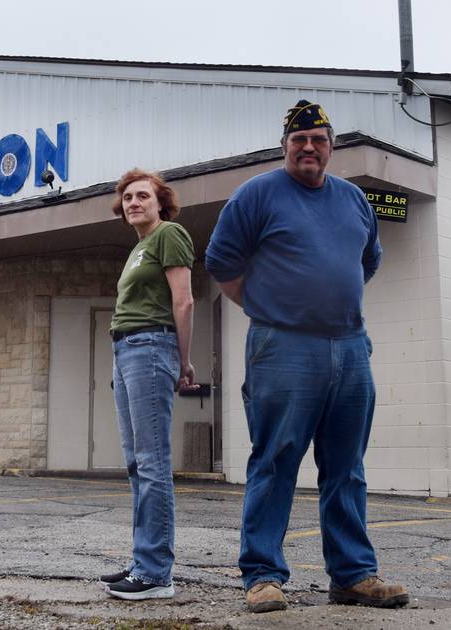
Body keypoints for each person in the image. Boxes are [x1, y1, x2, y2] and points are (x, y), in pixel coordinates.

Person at [204, 99, 407, 612]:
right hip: (283, 347)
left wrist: (330, 304)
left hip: (350, 348)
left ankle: (353, 575)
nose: (309, 148)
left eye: (318, 139)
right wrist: (270, 307)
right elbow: (222, 263)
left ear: (331, 147)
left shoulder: (354, 199)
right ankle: (262, 576)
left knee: (347, 466)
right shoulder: (257, 195)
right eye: (299, 140)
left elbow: (367, 261)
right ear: (285, 147)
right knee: (275, 459)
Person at [99, 168, 196, 600]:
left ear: (160, 203)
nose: (133, 202)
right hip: (125, 351)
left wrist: (183, 359)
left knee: (152, 462)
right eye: (128, 198)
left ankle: (157, 574)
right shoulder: (138, 249)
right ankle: (143, 561)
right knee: (137, 463)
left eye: (142, 196)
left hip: (151, 347)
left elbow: (184, 299)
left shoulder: (168, 234)